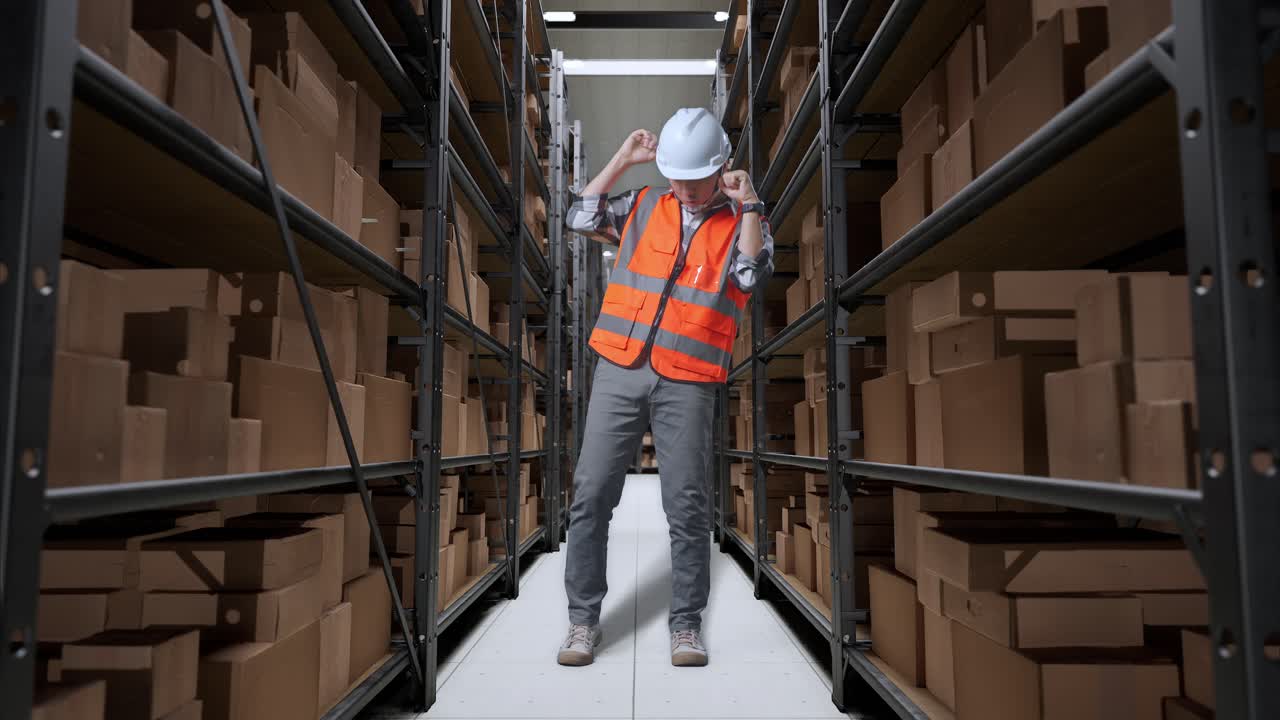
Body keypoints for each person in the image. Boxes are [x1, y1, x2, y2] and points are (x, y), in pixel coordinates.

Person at [558, 107, 774, 667]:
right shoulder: (647, 204)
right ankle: (582, 622)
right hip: (621, 365)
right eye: (675, 176)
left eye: (695, 178)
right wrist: (623, 160)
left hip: (689, 379)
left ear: (721, 167)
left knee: (687, 505)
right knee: (590, 494)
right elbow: (579, 217)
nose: (683, 188)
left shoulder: (740, 221)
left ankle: (685, 626)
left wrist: (749, 202)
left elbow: (751, 275)